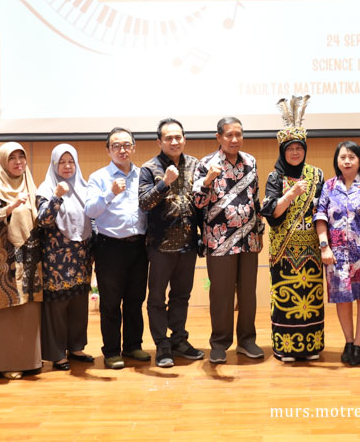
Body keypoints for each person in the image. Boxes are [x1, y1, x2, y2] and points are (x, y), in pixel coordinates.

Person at [193, 117, 263, 364]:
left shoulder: (251, 161)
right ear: (219, 137)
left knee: (248, 294)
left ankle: (247, 340)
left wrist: (259, 230)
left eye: (238, 134)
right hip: (219, 240)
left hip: (249, 239)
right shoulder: (206, 164)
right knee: (221, 295)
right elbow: (198, 203)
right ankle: (220, 343)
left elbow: (255, 198)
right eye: (229, 135)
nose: (235, 139)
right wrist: (207, 181)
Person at [260, 97, 325, 362]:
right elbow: (271, 213)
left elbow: (322, 211)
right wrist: (290, 195)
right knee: (286, 301)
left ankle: (311, 347)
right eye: (290, 149)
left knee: (311, 300)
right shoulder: (275, 177)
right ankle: (285, 347)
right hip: (284, 251)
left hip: (311, 250)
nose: (295, 153)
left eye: (299, 148)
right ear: (283, 151)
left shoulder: (317, 175)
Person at [315, 141, 360, 366]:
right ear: (337, 161)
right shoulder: (329, 186)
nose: (347, 161)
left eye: (351, 157)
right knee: (343, 298)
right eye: (343, 157)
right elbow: (320, 216)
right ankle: (348, 342)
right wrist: (324, 246)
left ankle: (359, 343)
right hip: (337, 254)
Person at [138, 119, 205, 368]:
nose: (174, 142)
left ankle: (179, 340)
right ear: (159, 142)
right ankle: (162, 345)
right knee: (157, 298)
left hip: (188, 244)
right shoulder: (149, 168)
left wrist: (203, 236)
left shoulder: (196, 165)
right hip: (160, 245)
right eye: (169, 138)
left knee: (181, 296)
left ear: (184, 139)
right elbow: (144, 203)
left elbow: (201, 202)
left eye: (178, 137)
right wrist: (163, 183)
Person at [0, 142, 48, 379]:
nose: (18, 162)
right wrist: (10, 207)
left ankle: (29, 360)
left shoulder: (30, 183)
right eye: (12, 158)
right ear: (3, 161)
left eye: (21, 157)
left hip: (30, 257)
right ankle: (7, 362)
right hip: (5, 259)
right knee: (8, 310)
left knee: (29, 310)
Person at [85, 127, 150, 369]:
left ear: (134, 147)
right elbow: (90, 210)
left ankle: (133, 346)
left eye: (126, 145)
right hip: (109, 247)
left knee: (135, 299)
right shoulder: (99, 177)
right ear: (108, 150)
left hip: (139, 246)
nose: (122, 150)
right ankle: (111, 351)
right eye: (116, 146)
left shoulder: (143, 175)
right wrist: (110, 193)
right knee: (110, 303)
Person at [37, 144, 94, 371]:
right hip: (57, 258)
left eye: (71, 162)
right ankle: (57, 354)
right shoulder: (45, 189)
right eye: (62, 162)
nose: (67, 166)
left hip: (82, 256)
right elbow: (44, 220)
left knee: (79, 302)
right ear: (54, 165)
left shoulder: (85, 187)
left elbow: (93, 219)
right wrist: (57, 197)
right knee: (57, 307)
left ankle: (76, 347)